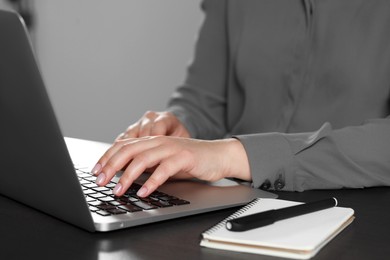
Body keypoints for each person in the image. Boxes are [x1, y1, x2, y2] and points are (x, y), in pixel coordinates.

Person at [91, 0, 390, 198]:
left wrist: (234, 155)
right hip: (234, 201)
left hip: (356, 211)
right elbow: (206, 98)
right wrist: (180, 124)